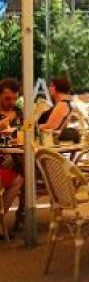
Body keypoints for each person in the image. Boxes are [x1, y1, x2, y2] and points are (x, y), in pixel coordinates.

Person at [0, 78, 23, 226]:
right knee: (20, 178)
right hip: (4, 160)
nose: (12, 102)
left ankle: (21, 214)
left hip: (16, 158)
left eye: (15, 98)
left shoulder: (19, 112)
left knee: (27, 175)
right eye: (7, 98)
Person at [37, 77, 79, 141]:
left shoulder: (62, 105)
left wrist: (36, 126)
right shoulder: (60, 104)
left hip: (48, 140)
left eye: (51, 86)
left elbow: (50, 126)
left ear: (58, 87)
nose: (49, 88)